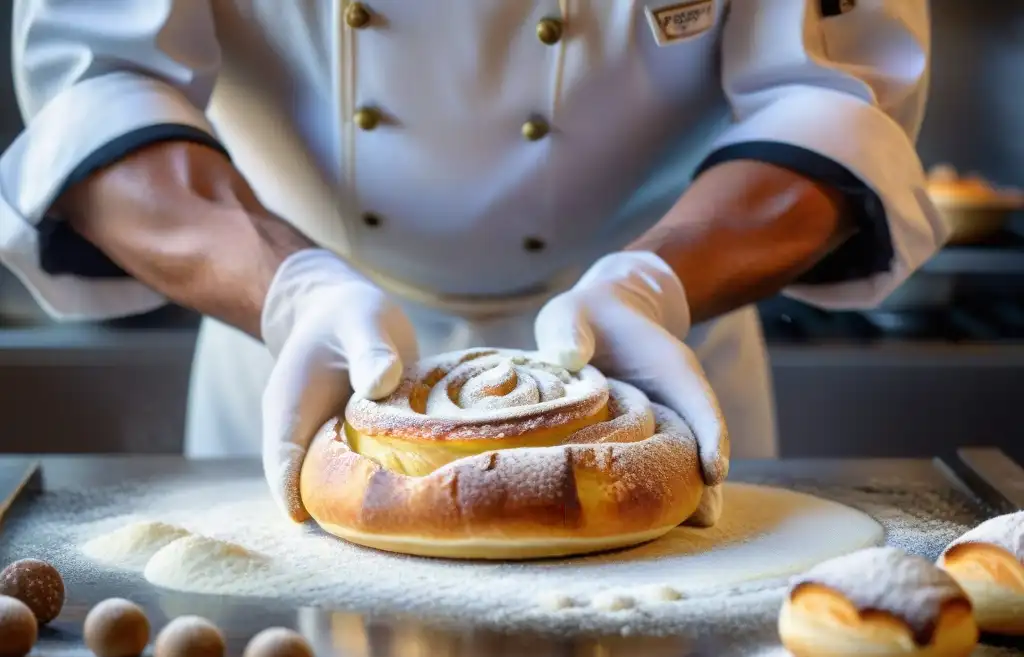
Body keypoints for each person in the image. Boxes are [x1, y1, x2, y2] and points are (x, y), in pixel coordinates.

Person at [0, 0, 946, 521]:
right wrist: (291, 292)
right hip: (304, 366)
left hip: (656, 367)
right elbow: (102, 84)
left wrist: (655, 285)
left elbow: (833, 102)